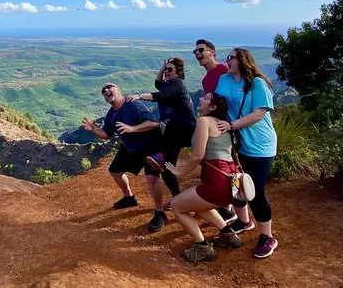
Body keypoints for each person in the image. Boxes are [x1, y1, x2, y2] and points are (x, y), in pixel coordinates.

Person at [214, 47, 279, 259]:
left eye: (230, 57)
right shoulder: (224, 79)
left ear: (242, 60)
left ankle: (267, 236)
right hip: (237, 143)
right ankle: (244, 221)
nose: (227, 60)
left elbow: (258, 114)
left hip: (260, 144)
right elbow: (219, 103)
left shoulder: (257, 83)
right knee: (236, 184)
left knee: (256, 191)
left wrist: (231, 125)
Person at [165, 92, 243, 263]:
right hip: (232, 183)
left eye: (206, 98)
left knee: (177, 205)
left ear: (212, 107)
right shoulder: (223, 124)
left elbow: (198, 155)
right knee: (197, 204)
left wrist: (180, 171)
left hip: (217, 182)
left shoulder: (204, 121)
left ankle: (202, 247)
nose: (201, 99)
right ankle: (228, 235)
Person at [82, 82, 169, 232]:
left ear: (119, 90)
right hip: (130, 148)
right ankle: (129, 198)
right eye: (103, 91)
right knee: (115, 171)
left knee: (151, 178)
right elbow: (106, 134)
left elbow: (153, 123)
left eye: (110, 87)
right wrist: (93, 129)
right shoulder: (111, 114)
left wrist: (132, 128)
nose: (106, 90)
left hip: (150, 147)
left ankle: (160, 212)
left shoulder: (134, 105)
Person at [127, 57, 196, 210]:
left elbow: (161, 95)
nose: (166, 72)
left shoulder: (177, 83)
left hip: (183, 129)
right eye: (166, 69)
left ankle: (160, 156)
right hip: (173, 131)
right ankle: (178, 198)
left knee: (164, 156)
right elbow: (158, 84)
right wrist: (162, 69)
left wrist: (139, 96)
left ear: (178, 73)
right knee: (166, 167)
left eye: (170, 70)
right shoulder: (167, 83)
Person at [193, 39, 237, 224]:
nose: (197, 53)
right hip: (217, 126)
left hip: (230, 125)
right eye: (195, 52)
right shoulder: (205, 79)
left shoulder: (225, 70)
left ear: (212, 52)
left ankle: (231, 207)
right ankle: (225, 206)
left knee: (227, 163)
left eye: (201, 50)